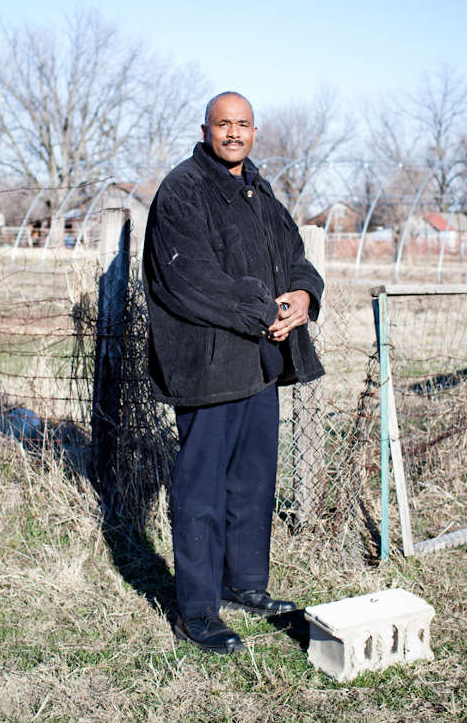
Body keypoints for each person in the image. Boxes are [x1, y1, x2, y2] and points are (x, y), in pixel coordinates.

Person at [142, 91, 324, 654]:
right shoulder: (182, 192)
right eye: (224, 124)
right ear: (206, 129)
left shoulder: (259, 193)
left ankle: (244, 585)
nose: (234, 133)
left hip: (259, 364)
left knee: (251, 482)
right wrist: (265, 310)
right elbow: (191, 279)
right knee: (200, 488)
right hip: (208, 365)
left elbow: (295, 257)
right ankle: (197, 610)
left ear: (253, 131)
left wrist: (300, 294)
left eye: (243, 124)